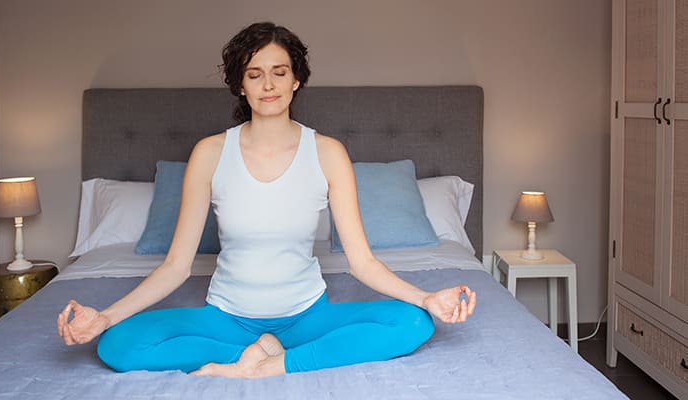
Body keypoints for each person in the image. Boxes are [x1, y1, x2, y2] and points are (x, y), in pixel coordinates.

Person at [57, 22, 476, 379]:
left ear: (296, 79)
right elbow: (175, 266)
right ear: (240, 84)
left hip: (307, 318)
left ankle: (273, 364)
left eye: (279, 72)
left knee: (411, 323)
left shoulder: (328, 153)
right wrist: (106, 316)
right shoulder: (209, 153)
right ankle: (250, 356)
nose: (269, 85)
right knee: (119, 344)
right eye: (255, 74)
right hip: (226, 319)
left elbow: (362, 262)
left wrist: (425, 298)